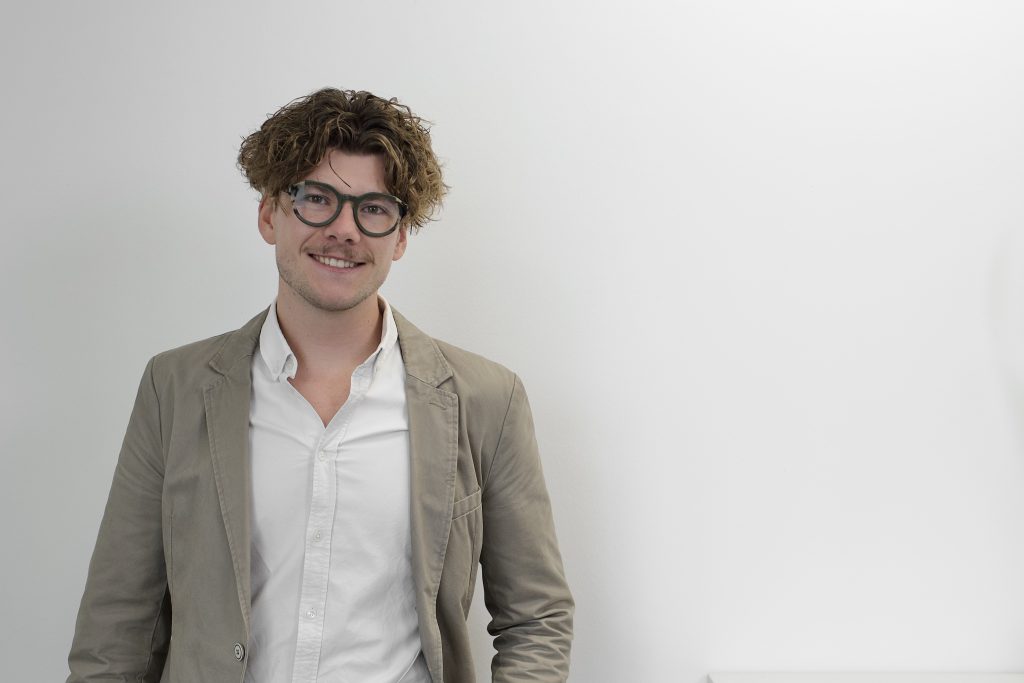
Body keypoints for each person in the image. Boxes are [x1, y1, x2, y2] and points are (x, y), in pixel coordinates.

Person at [67, 88, 573, 683]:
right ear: (269, 215)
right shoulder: (174, 387)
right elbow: (118, 628)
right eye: (317, 199)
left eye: (374, 208)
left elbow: (536, 617)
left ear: (400, 236)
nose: (344, 230)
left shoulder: (486, 399)